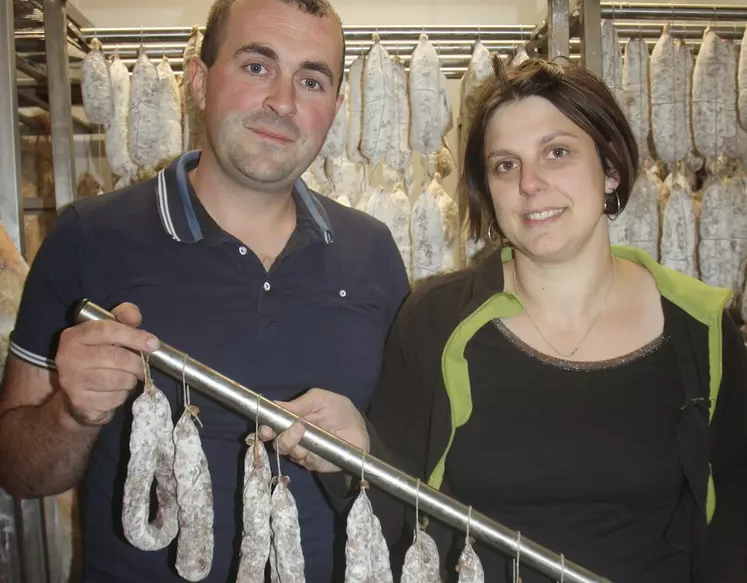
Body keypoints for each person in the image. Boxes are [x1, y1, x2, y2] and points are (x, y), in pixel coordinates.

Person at [263, 58, 747, 582]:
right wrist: (354, 455)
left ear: (609, 169)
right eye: (505, 165)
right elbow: (401, 523)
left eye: (556, 153)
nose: (530, 184)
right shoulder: (437, 320)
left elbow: (734, 527)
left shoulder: (702, 328)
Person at [0, 0, 409, 583]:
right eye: (255, 66)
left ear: (336, 108)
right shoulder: (87, 238)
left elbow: (406, 465)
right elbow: (18, 469)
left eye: (312, 80)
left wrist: (364, 451)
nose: (284, 102)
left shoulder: (372, 250)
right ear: (198, 79)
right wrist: (71, 414)